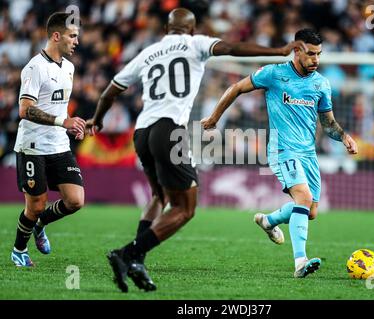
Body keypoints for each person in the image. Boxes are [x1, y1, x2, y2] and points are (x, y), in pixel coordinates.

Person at [85, 7, 306, 292]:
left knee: (159, 196)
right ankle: (125, 255)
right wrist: (279, 51)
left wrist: (98, 120)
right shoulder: (195, 43)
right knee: (185, 209)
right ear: (191, 29)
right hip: (169, 130)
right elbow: (231, 47)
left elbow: (110, 91)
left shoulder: (148, 52)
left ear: (166, 30)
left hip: (141, 132)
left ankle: (137, 260)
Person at [201, 28, 358, 278]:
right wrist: (215, 117)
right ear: (297, 51)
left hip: (308, 154)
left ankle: (268, 221)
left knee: (311, 211)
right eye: (310, 54)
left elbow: (328, 123)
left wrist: (344, 137)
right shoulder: (274, 73)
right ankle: (300, 262)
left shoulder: (321, 83)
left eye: (319, 54)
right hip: (282, 149)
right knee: (304, 200)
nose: (316, 59)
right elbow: (237, 87)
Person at [11, 12, 85, 267]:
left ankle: (40, 225)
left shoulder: (69, 67)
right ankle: (19, 250)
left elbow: (58, 108)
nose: (76, 41)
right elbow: (25, 109)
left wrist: (73, 123)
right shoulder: (35, 67)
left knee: (75, 200)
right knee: (36, 205)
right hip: (32, 146)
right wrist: (61, 122)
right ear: (56, 36)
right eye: (72, 36)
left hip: (59, 145)